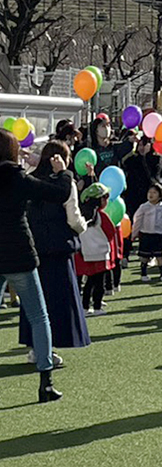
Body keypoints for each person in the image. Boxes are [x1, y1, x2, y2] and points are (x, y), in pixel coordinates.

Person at [0, 130, 69, 402]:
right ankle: (46, 382)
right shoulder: (17, 178)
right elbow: (58, 193)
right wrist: (62, 172)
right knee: (39, 317)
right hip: (19, 252)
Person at [20, 140, 90, 364]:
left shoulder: (30, 178)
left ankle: (34, 347)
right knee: (58, 301)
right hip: (58, 248)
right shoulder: (65, 182)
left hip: (33, 247)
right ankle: (47, 349)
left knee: (34, 301)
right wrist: (84, 226)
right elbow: (73, 217)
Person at [76, 184, 116, 315]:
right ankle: (97, 306)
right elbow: (111, 232)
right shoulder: (101, 216)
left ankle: (85, 307)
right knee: (99, 282)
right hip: (100, 252)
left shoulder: (81, 216)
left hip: (85, 252)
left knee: (89, 281)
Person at [131, 182, 162, 282]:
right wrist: (134, 233)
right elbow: (137, 220)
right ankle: (144, 274)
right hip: (146, 235)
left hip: (158, 235)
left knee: (159, 255)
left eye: (154, 193)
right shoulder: (144, 207)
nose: (151, 194)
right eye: (149, 192)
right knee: (144, 256)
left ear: (160, 196)